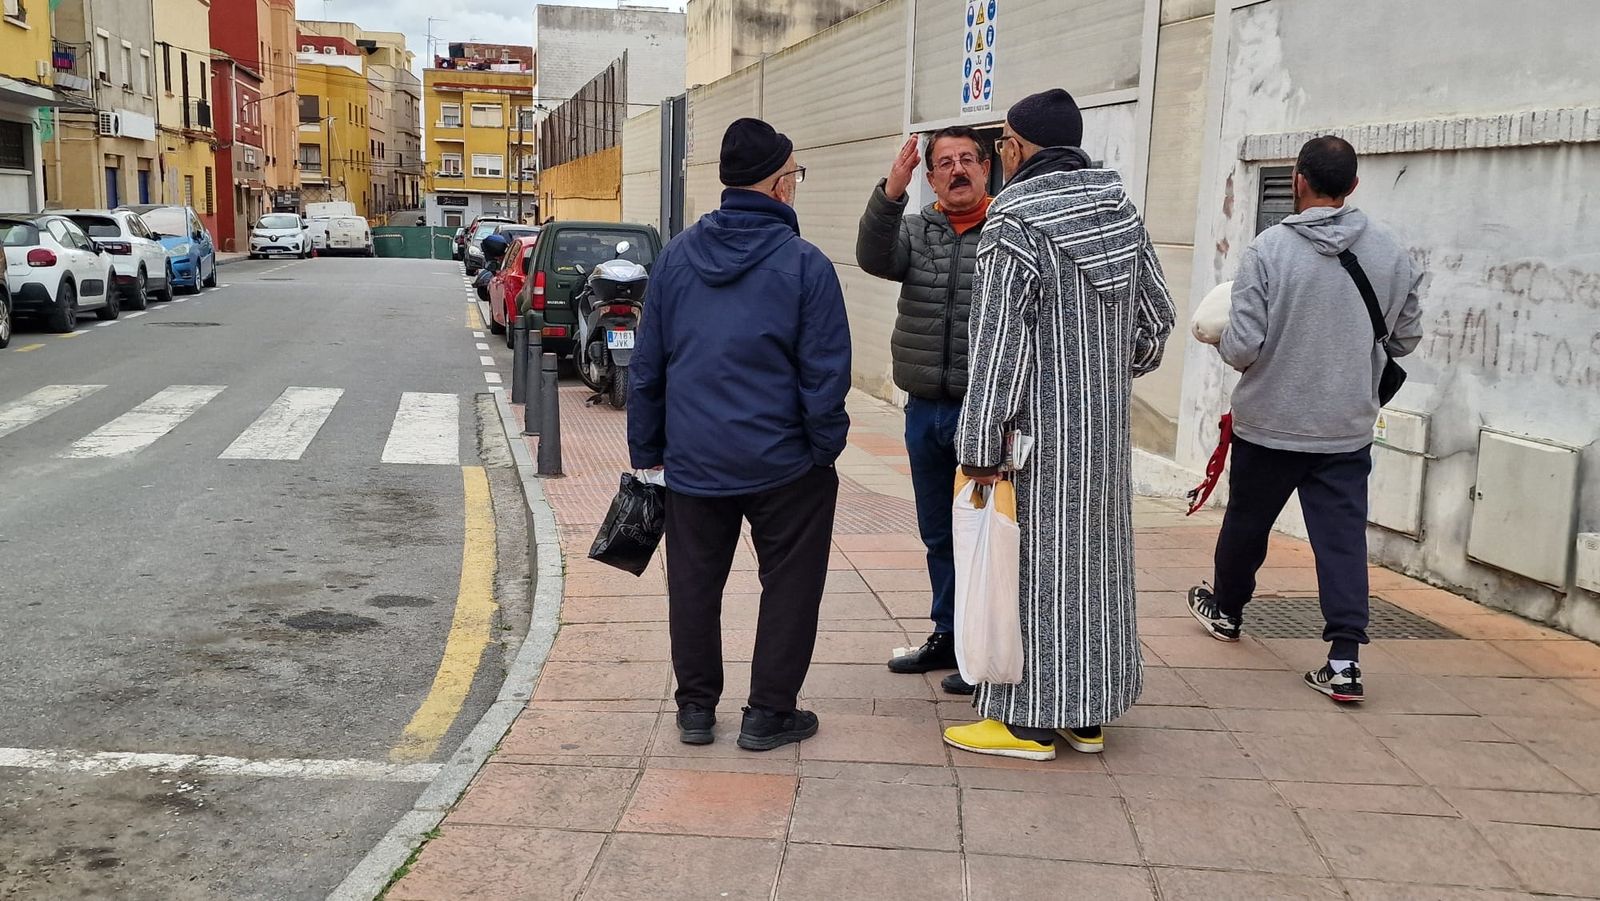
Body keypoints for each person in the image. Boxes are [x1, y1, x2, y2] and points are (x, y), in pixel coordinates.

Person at [943, 89, 1176, 761]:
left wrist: (979, 442)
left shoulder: (1015, 218)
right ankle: (1088, 714)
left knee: (1034, 572)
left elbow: (998, 345)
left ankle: (1027, 724)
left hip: (1034, 441)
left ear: (1015, 148)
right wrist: (1102, 372)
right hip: (1103, 437)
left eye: (1002, 145)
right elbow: (1156, 322)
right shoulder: (1119, 209)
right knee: (1096, 568)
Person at [628, 117, 852, 752]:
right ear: (780, 185)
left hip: (694, 459)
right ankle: (768, 713)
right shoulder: (806, 265)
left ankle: (696, 709)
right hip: (785, 463)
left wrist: (649, 453)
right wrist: (823, 450)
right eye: (795, 174)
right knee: (790, 585)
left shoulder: (675, 258)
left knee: (694, 585)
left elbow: (648, 366)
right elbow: (825, 374)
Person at [1186, 136, 1423, 703]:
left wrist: (1221, 338)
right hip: (1345, 428)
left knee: (1247, 524)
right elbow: (1406, 338)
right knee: (1341, 541)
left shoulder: (1267, 250)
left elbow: (1243, 347)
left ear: (1298, 179)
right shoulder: (1392, 251)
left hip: (1269, 423)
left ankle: (1227, 611)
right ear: (1353, 186)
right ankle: (1344, 662)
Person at [855, 127, 994, 697]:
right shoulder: (915, 230)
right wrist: (891, 190)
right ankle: (947, 634)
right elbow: (872, 256)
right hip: (923, 411)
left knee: (984, 536)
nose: (957, 170)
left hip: (983, 411)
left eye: (967, 160)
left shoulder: (1006, 232)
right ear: (931, 177)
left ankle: (983, 649)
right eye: (945, 162)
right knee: (938, 533)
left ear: (985, 168)